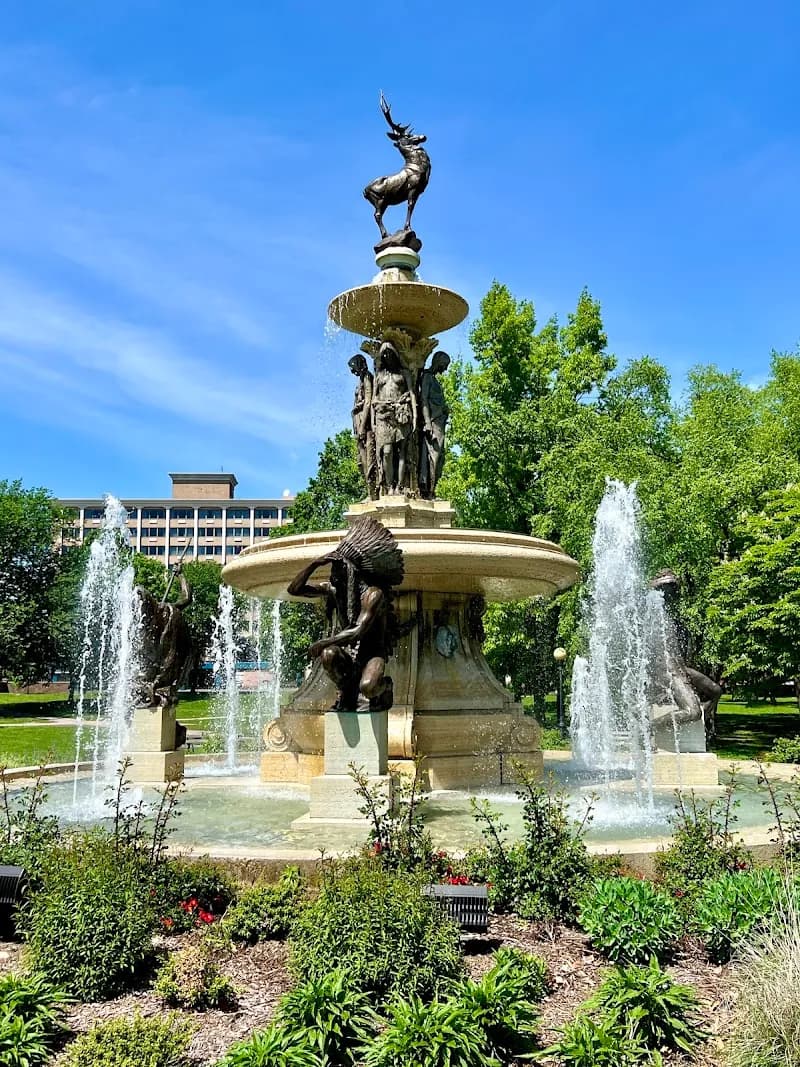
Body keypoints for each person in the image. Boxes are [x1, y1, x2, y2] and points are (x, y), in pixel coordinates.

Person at [287, 517, 404, 712]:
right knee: (328, 654)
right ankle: (346, 692)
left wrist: (322, 642)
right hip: (349, 653)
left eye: (339, 569)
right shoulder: (335, 590)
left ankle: (386, 686)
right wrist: (315, 564)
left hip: (371, 653)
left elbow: (357, 631)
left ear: (352, 572)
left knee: (368, 687)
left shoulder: (373, 595)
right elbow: (294, 590)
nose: (333, 574)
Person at [372, 341, 416, 494]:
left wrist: (415, 416)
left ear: (395, 355)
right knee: (387, 451)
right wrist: (373, 421)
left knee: (402, 452)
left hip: (400, 415)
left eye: (390, 354)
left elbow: (412, 394)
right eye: (384, 355)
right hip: (384, 416)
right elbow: (373, 398)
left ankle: (400, 486)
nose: (387, 357)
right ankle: (390, 485)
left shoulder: (404, 373)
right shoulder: (379, 375)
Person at [418, 351, 450, 498]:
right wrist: (427, 423)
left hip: (439, 423)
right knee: (433, 457)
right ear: (438, 362)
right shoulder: (427, 377)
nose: (445, 369)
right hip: (432, 423)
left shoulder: (434, 379)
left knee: (439, 458)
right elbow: (424, 399)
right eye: (444, 365)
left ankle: (432, 489)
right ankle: (428, 490)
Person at [348, 354, 378, 499]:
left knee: (368, 459)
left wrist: (362, 426)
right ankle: (369, 490)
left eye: (353, 367)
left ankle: (373, 492)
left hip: (365, 426)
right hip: (358, 422)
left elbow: (368, 401)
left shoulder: (367, 377)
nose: (352, 371)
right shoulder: (361, 379)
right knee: (361, 461)